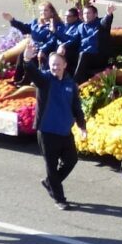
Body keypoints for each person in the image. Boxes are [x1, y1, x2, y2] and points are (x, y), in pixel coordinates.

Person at [23, 41, 87, 209]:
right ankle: (59, 198)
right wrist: (27, 60)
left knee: (71, 160)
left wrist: (82, 126)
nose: (55, 68)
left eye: (58, 65)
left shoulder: (70, 84)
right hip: (47, 131)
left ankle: (49, 182)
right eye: (52, 65)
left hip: (65, 131)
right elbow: (33, 72)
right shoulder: (45, 80)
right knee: (51, 166)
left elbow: (76, 107)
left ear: (65, 65)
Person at [72, 3, 116, 83]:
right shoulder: (80, 27)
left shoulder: (100, 23)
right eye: (85, 13)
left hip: (98, 58)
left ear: (95, 14)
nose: (86, 15)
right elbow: (72, 40)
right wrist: (62, 45)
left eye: (88, 13)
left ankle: (75, 83)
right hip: (83, 57)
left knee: (83, 55)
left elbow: (106, 21)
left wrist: (108, 14)